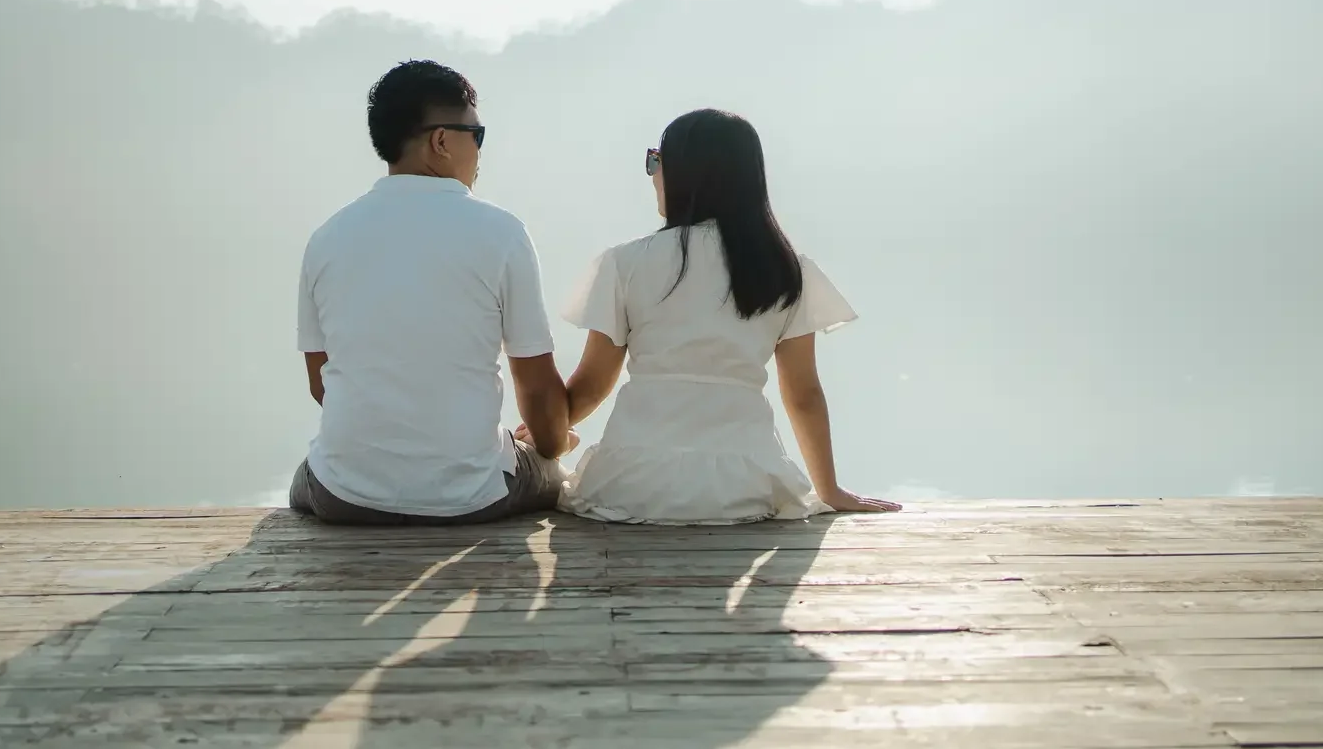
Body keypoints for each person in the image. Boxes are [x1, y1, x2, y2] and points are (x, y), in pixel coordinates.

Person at [539, 108, 901, 524]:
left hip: (633, 485)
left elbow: (590, 385)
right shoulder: (787, 271)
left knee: (548, 472)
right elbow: (803, 395)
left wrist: (546, 431)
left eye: (656, 160)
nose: (652, 174)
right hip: (744, 488)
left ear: (682, 171)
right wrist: (830, 490)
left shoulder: (626, 263)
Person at [289, 60, 574, 525]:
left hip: (346, 496)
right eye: (476, 135)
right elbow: (537, 387)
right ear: (441, 141)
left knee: (309, 475)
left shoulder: (326, 238)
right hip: (472, 495)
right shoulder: (502, 234)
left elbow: (323, 383)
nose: (480, 152)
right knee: (549, 469)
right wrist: (547, 447)